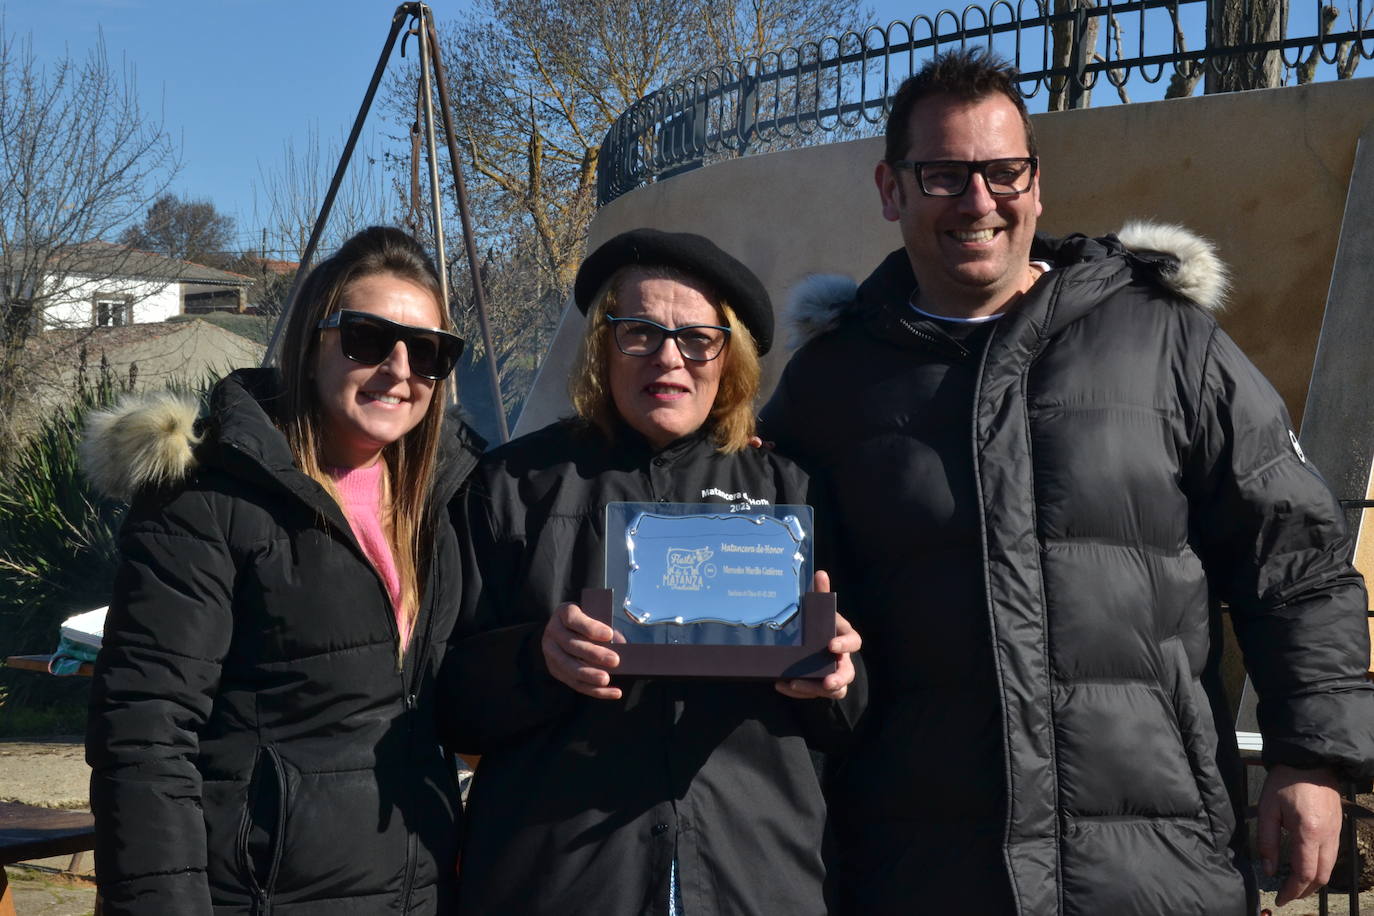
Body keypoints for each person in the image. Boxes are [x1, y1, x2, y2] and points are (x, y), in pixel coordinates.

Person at [761, 50, 1374, 915]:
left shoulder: (1166, 343)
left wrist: (1311, 759)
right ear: (891, 190)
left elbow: (1296, 559)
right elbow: (769, 594)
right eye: (943, 174)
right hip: (921, 866)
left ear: (1037, 184)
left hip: (1154, 865)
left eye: (1003, 170)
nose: (979, 201)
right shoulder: (829, 385)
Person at [448, 228, 863, 915]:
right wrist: (536, 658)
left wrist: (840, 682)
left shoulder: (794, 493)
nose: (668, 357)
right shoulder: (513, 487)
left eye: (697, 338)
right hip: (561, 883)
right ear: (602, 350)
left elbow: (860, 714)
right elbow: (448, 701)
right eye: (638, 332)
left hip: (751, 878)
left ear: (729, 359)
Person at [82, 226, 483, 915]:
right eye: (365, 337)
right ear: (310, 342)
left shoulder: (445, 500)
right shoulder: (208, 497)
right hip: (263, 898)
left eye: (427, 351)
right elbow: (145, 737)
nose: (397, 368)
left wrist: (725, 464)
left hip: (416, 894)